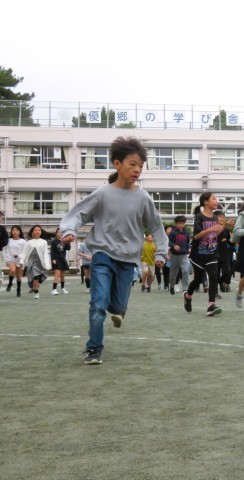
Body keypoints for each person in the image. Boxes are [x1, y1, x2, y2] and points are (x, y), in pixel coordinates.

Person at [60, 136, 168, 364]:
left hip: (128, 259)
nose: (137, 169)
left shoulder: (143, 197)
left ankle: (116, 308)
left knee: (117, 306)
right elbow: (78, 214)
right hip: (102, 255)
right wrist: (69, 230)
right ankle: (94, 348)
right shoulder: (102, 194)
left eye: (141, 165)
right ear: (117, 163)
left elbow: (157, 227)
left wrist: (160, 252)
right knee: (98, 303)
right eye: (132, 164)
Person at [183, 192, 224, 316]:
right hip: (198, 254)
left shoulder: (216, 218)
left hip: (212, 253)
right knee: (198, 279)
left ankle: (211, 305)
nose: (216, 201)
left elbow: (214, 235)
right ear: (206, 202)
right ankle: (188, 296)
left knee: (213, 276)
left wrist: (221, 228)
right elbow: (196, 236)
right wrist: (211, 229)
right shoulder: (199, 217)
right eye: (214, 198)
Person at [19, 225, 52, 299]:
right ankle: (36, 293)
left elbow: (45, 254)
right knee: (35, 276)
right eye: (35, 230)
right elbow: (24, 253)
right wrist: (21, 261)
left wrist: (47, 264)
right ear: (32, 232)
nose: (37, 231)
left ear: (41, 232)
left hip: (40, 262)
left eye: (39, 230)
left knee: (39, 278)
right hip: (31, 262)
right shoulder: (29, 243)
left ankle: (34, 287)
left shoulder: (44, 242)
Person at [168, 215, 191, 295]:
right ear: (176, 223)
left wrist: (189, 248)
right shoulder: (172, 233)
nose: (180, 225)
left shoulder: (186, 233)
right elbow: (168, 242)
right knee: (173, 273)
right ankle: (171, 286)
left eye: (182, 223)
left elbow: (188, 242)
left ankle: (185, 289)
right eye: (178, 223)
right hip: (174, 256)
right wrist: (174, 246)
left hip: (183, 255)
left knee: (185, 271)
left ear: (184, 223)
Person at [4, 225, 26, 296]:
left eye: (16, 230)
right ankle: (10, 283)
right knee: (12, 270)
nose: (15, 232)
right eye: (13, 230)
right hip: (10, 259)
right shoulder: (9, 240)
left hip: (19, 260)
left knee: (18, 276)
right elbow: (5, 250)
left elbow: (25, 252)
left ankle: (18, 290)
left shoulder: (23, 241)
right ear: (11, 232)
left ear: (20, 232)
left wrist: (19, 256)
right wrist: (7, 258)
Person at [50, 227, 71, 295]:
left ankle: (63, 288)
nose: (60, 233)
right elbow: (52, 251)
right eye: (58, 232)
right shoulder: (54, 241)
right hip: (56, 259)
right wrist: (53, 259)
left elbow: (68, 248)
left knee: (62, 275)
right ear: (56, 233)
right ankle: (54, 289)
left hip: (62, 259)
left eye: (61, 232)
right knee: (57, 274)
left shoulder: (65, 240)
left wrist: (67, 241)